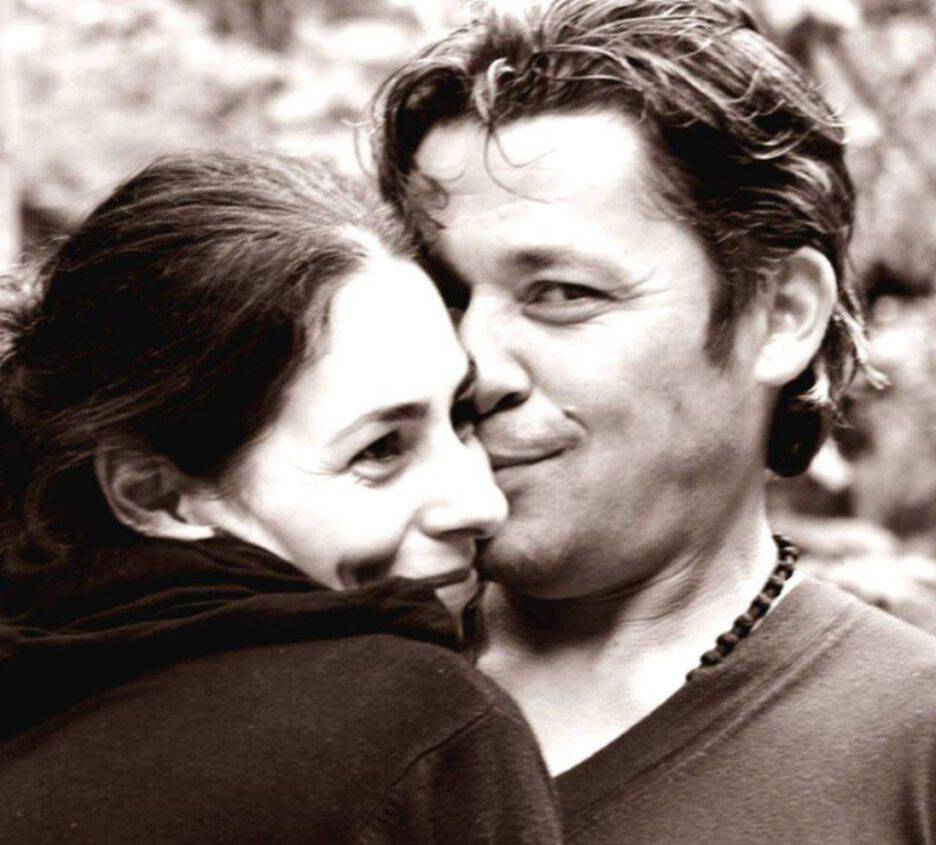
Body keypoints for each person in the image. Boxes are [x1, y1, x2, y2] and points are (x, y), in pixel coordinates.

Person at [371, 1, 936, 841]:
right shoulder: (303, 683)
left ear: (781, 313)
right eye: (446, 295)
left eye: (562, 293)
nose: (472, 364)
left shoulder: (909, 745)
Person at [0, 152, 562, 843]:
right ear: (156, 494)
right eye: (378, 451)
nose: (481, 503)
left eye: (461, 416)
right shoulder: (418, 725)